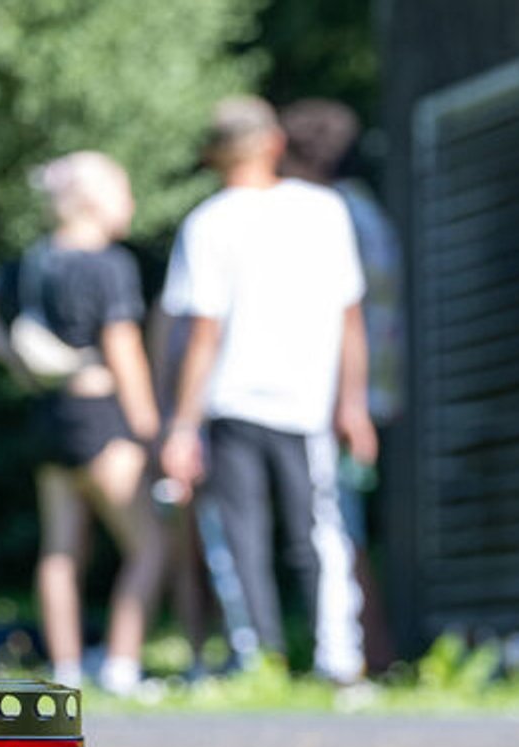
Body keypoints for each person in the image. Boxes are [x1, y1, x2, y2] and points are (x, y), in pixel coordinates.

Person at [158, 97, 376, 686]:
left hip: (231, 403)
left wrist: (180, 425)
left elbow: (202, 333)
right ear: (274, 142)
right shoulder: (326, 210)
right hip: (308, 402)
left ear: (212, 155)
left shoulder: (207, 222)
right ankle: (339, 661)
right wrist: (353, 401)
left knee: (240, 538)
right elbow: (351, 316)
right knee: (320, 535)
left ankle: (258, 660)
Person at [0, 151, 166, 696]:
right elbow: (124, 348)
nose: (131, 203)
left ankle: (66, 672)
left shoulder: (36, 259)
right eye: (123, 191)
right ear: (93, 200)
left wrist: (18, 360)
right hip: (100, 414)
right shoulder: (108, 263)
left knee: (61, 551)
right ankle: (121, 666)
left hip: (50, 415)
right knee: (150, 545)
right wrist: (148, 427)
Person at [280, 97, 402, 675]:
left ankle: (367, 657)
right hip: (375, 392)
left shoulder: (324, 213)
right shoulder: (365, 208)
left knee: (337, 527)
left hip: (337, 398)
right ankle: (374, 655)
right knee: (347, 526)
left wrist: (343, 398)